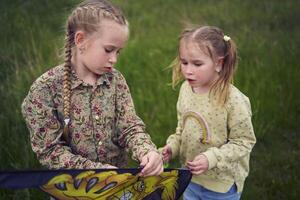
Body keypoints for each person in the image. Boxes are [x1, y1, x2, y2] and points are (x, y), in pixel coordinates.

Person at [21, 0, 163, 177]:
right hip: (74, 188)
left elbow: (129, 127)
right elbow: (50, 151)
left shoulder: (115, 81)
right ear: (80, 40)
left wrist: (147, 151)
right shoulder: (45, 89)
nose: (114, 59)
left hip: (118, 185)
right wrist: (94, 171)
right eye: (108, 50)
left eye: (118, 52)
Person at [161, 26, 256, 199]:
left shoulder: (233, 100)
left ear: (218, 63)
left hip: (221, 185)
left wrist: (211, 158)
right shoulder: (186, 90)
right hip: (190, 178)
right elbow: (182, 129)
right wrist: (172, 147)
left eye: (197, 64)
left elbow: (244, 141)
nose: (188, 70)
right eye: (184, 62)